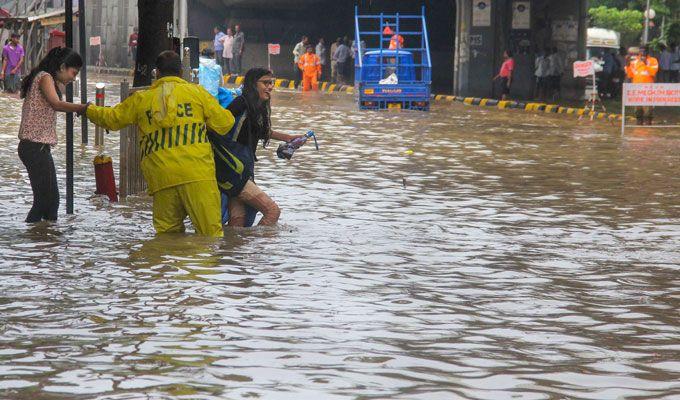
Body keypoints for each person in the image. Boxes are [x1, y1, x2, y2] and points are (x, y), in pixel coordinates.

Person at [85, 51, 235, 237]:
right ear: (181, 72)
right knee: (210, 236)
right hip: (198, 175)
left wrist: (88, 109)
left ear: (156, 73)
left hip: (162, 179)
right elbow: (225, 123)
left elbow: (112, 118)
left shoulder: (141, 99)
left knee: (167, 237)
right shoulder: (198, 94)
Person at [208, 67, 306, 227]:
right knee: (272, 210)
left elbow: (260, 132)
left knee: (238, 220)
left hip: (243, 170)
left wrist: (289, 138)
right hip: (233, 171)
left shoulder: (258, 108)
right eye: (266, 83)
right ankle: (260, 248)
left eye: (272, 83)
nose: (270, 87)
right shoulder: (240, 103)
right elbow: (216, 125)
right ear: (253, 84)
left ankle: (234, 249)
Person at [18, 47, 87, 223]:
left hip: (37, 147)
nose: (74, 77)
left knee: (51, 201)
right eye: (74, 72)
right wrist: (82, 108)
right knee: (43, 201)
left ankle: (46, 240)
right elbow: (56, 104)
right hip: (34, 147)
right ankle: (36, 241)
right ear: (63, 67)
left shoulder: (45, 77)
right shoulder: (45, 77)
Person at [625, 46, 658, 125]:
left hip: (648, 88)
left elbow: (653, 72)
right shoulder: (635, 61)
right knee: (638, 108)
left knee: (648, 108)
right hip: (636, 88)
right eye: (641, 51)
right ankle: (639, 123)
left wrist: (645, 63)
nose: (642, 53)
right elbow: (630, 75)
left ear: (647, 52)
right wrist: (627, 64)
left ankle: (648, 123)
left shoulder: (653, 60)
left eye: (644, 51)